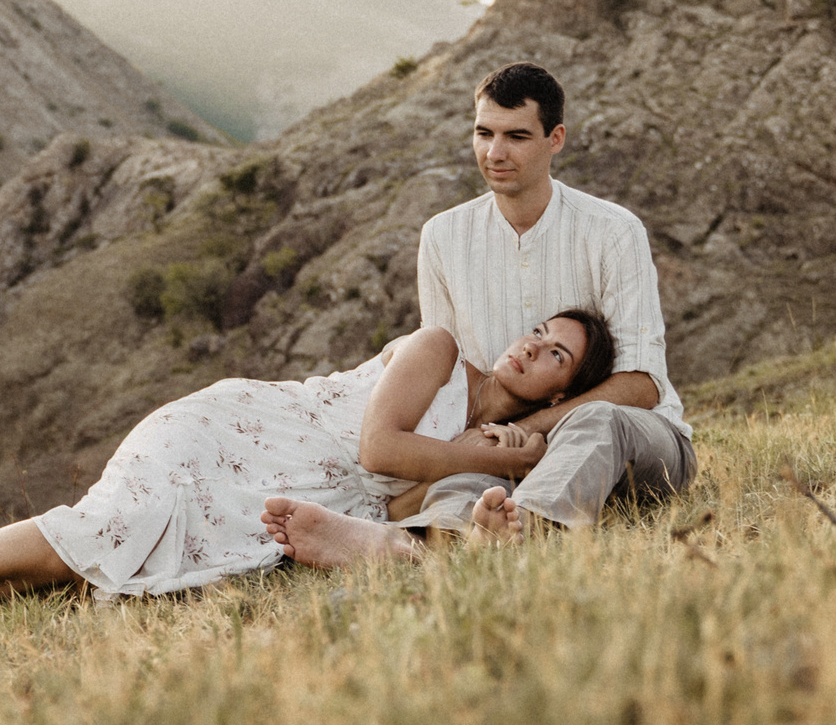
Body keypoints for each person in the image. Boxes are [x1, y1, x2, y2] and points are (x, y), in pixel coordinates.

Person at [0, 310, 614, 640]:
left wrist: (514, 446)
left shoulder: (495, 441)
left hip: (303, 486)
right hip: (234, 432)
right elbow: (382, 447)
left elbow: (395, 494)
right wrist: (481, 448)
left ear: (561, 387)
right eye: (538, 328)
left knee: (86, 581)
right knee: (99, 530)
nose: (531, 343)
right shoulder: (441, 348)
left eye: (554, 354)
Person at [264, 62, 693, 567]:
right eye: (484, 133)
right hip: (503, 455)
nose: (495, 153)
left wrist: (528, 432)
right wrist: (488, 450)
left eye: (516, 136)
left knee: (596, 419)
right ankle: (412, 550)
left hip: (632, 444)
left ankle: (519, 532)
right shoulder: (443, 237)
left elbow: (642, 384)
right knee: (463, 482)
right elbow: (449, 392)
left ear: (555, 139)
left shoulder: (613, 231)